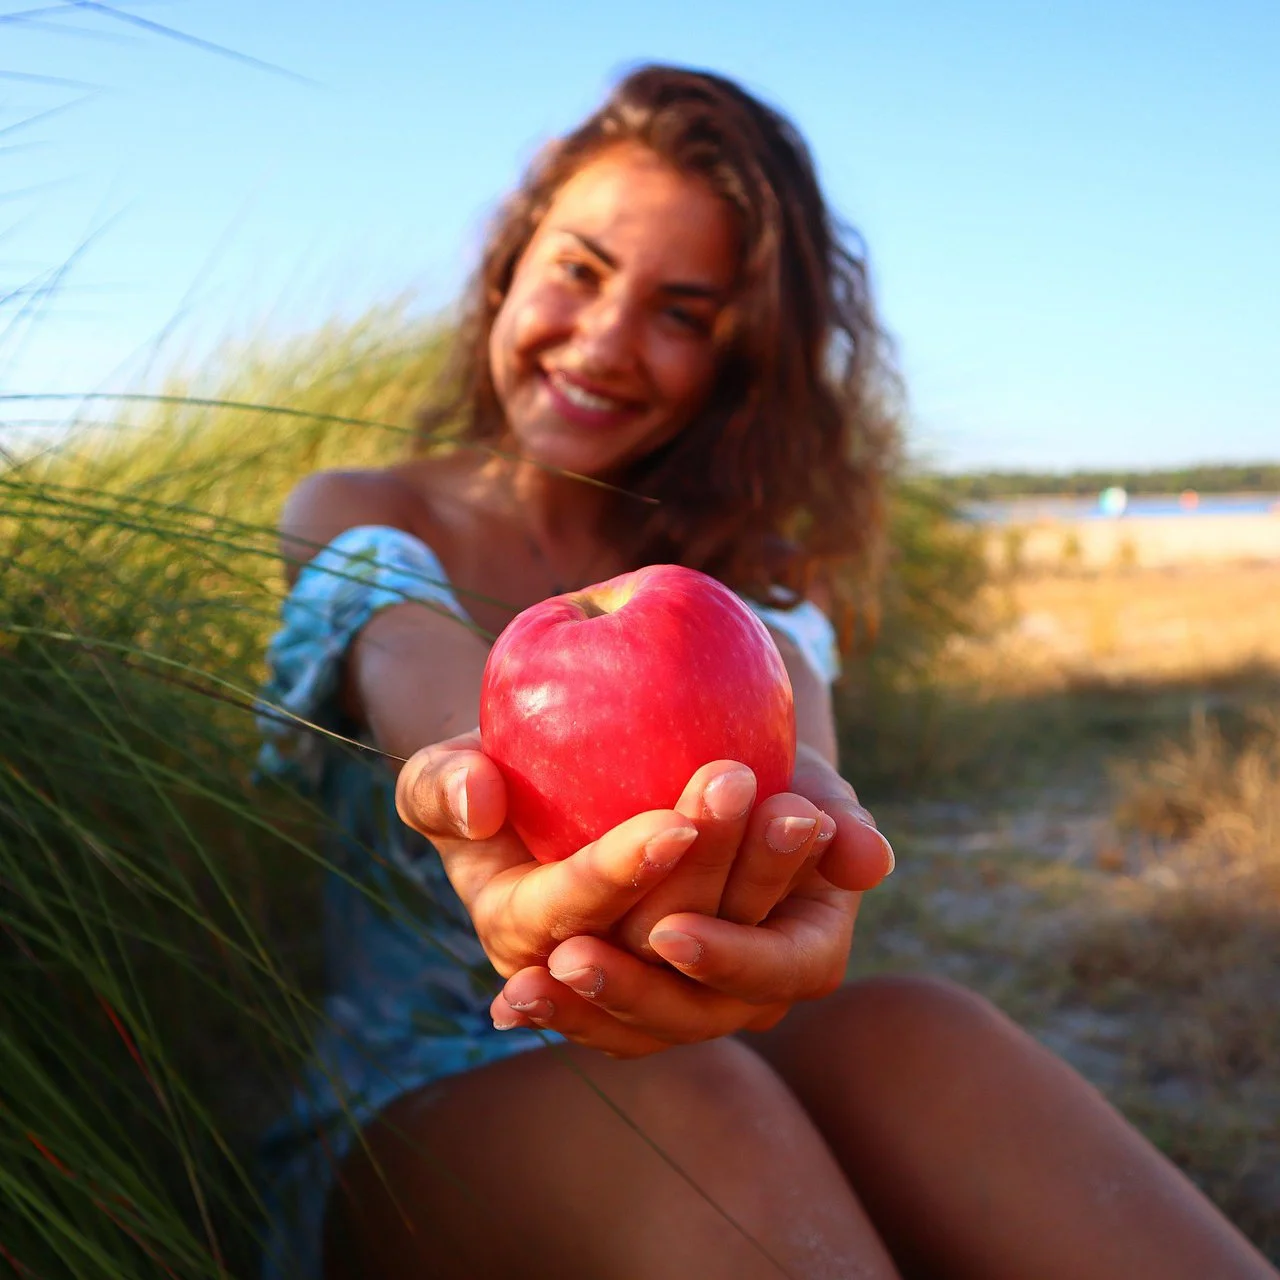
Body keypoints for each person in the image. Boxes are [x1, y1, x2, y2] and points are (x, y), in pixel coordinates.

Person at [255, 63, 1277, 1280]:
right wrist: (470, 800)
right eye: (579, 268)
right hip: (422, 1092)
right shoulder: (360, 515)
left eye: (682, 312)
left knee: (922, 1031)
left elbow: (785, 695)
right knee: (708, 1113)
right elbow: (413, 657)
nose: (606, 340)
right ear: (510, 264)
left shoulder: (738, 585)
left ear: (738, 360)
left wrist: (810, 827)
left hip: (712, 1050)